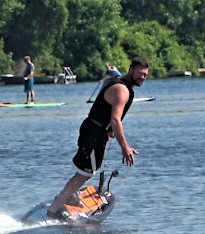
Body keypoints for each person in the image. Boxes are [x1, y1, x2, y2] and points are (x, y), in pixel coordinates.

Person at [47, 57, 149, 218]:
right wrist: (125, 147)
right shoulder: (122, 91)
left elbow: (104, 108)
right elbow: (115, 119)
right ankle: (55, 208)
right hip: (94, 133)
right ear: (131, 70)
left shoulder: (115, 80)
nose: (142, 77)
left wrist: (109, 131)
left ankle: (67, 196)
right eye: (139, 73)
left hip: (93, 129)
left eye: (145, 75)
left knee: (87, 170)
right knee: (84, 173)